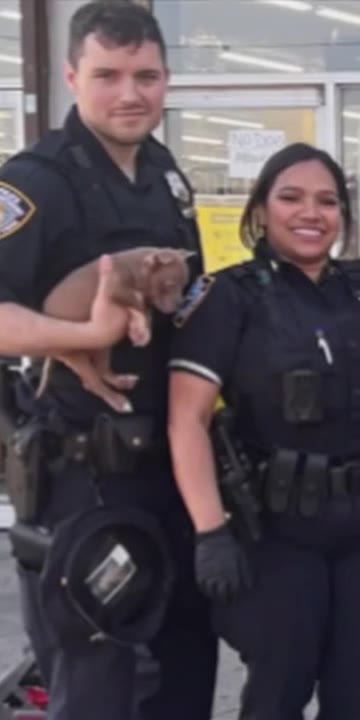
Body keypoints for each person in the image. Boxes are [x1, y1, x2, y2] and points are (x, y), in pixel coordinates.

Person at [165, 142, 360, 717]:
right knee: (279, 693)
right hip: (279, 533)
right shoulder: (230, 296)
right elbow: (187, 419)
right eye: (291, 197)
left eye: (327, 201)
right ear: (261, 211)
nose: (310, 213)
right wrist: (210, 533)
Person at [0, 3, 219, 718]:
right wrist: (75, 336)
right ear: (71, 77)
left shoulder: (164, 172)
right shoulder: (33, 182)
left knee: (184, 676)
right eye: (108, 75)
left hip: (173, 468)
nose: (131, 93)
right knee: (99, 687)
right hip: (84, 479)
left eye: (147, 76)